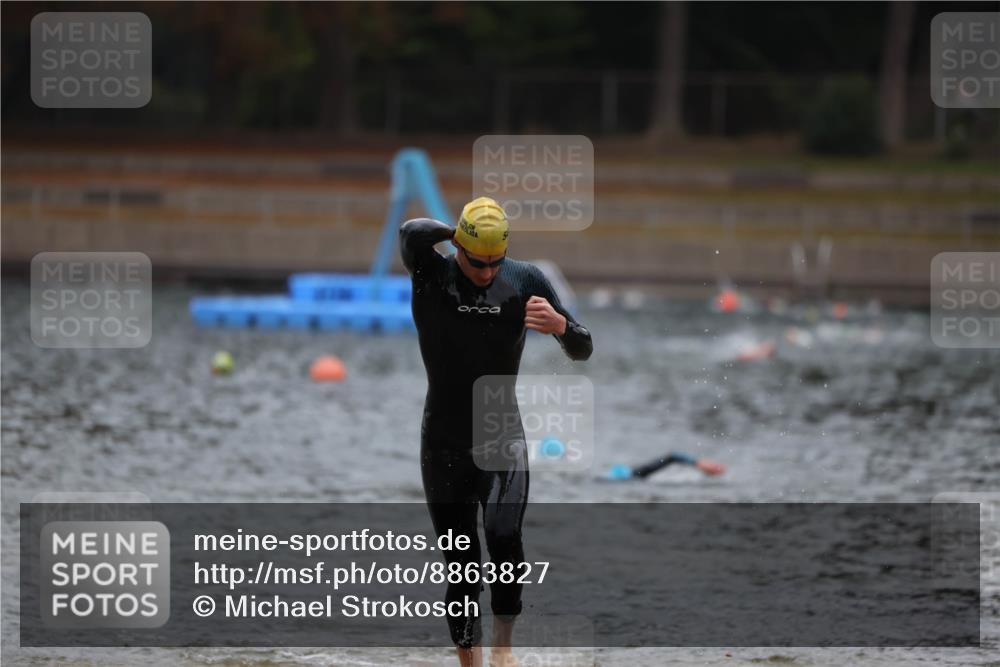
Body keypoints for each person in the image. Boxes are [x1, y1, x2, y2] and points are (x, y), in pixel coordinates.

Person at [400, 197, 592, 667]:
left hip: (499, 428)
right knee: (463, 568)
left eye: (495, 262)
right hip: (442, 439)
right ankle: (471, 663)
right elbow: (411, 231)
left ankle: (503, 649)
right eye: (476, 260)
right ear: (460, 247)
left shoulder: (525, 280)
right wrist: (465, 232)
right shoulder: (431, 272)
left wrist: (562, 326)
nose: (486, 272)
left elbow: (583, 348)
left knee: (504, 533)